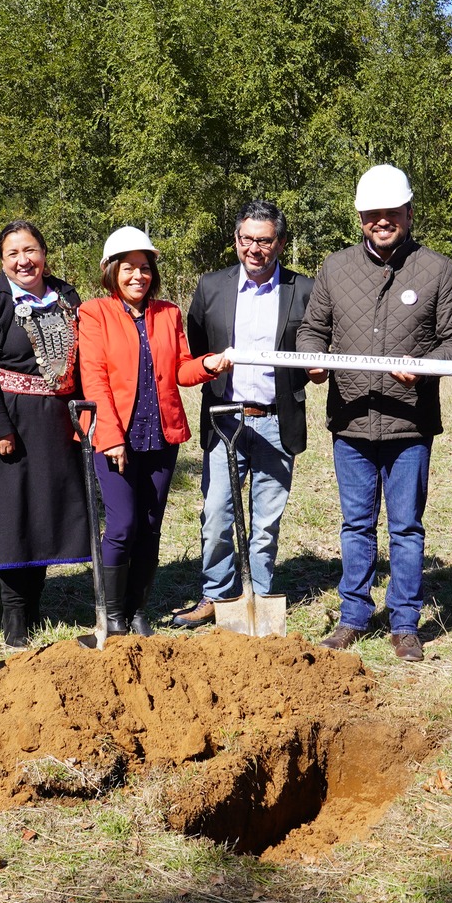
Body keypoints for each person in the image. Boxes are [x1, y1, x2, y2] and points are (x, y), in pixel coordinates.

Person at [295, 164, 452, 662]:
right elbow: (313, 330)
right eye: (373, 214)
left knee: (406, 527)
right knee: (355, 525)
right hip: (351, 419)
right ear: (360, 218)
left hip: (409, 423)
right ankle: (353, 617)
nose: (382, 221)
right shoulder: (335, 269)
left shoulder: (437, 270)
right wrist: (314, 361)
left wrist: (425, 366)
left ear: (409, 213)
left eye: (391, 213)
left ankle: (404, 624)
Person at [76, 227, 227, 635]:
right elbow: (94, 378)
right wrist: (109, 437)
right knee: (123, 525)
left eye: (144, 268)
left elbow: (180, 368)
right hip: (115, 437)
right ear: (111, 272)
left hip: (159, 437)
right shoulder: (94, 313)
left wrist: (207, 364)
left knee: (150, 525)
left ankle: (137, 610)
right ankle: (111, 615)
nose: (138, 276)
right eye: (128, 269)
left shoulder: (168, 313)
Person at [169, 201, 313, 627]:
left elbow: (316, 347)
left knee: (266, 523)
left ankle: (260, 597)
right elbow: (195, 349)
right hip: (225, 420)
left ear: (281, 243)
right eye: (246, 239)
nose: (254, 248)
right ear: (235, 241)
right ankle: (214, 595)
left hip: (275, 420)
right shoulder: (212, 287)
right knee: (216, 515)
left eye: (264, 240)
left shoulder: (302, 289)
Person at [0, 221, 94, 647]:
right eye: (13, 254)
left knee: (44, 511)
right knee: (12, 515)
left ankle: (35, 603)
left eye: (31, 250)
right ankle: (14, 614)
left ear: (44, 252)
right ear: (2, 261)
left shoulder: (66, 295)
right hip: (12, 420)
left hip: (58, 420)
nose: (24, 261)